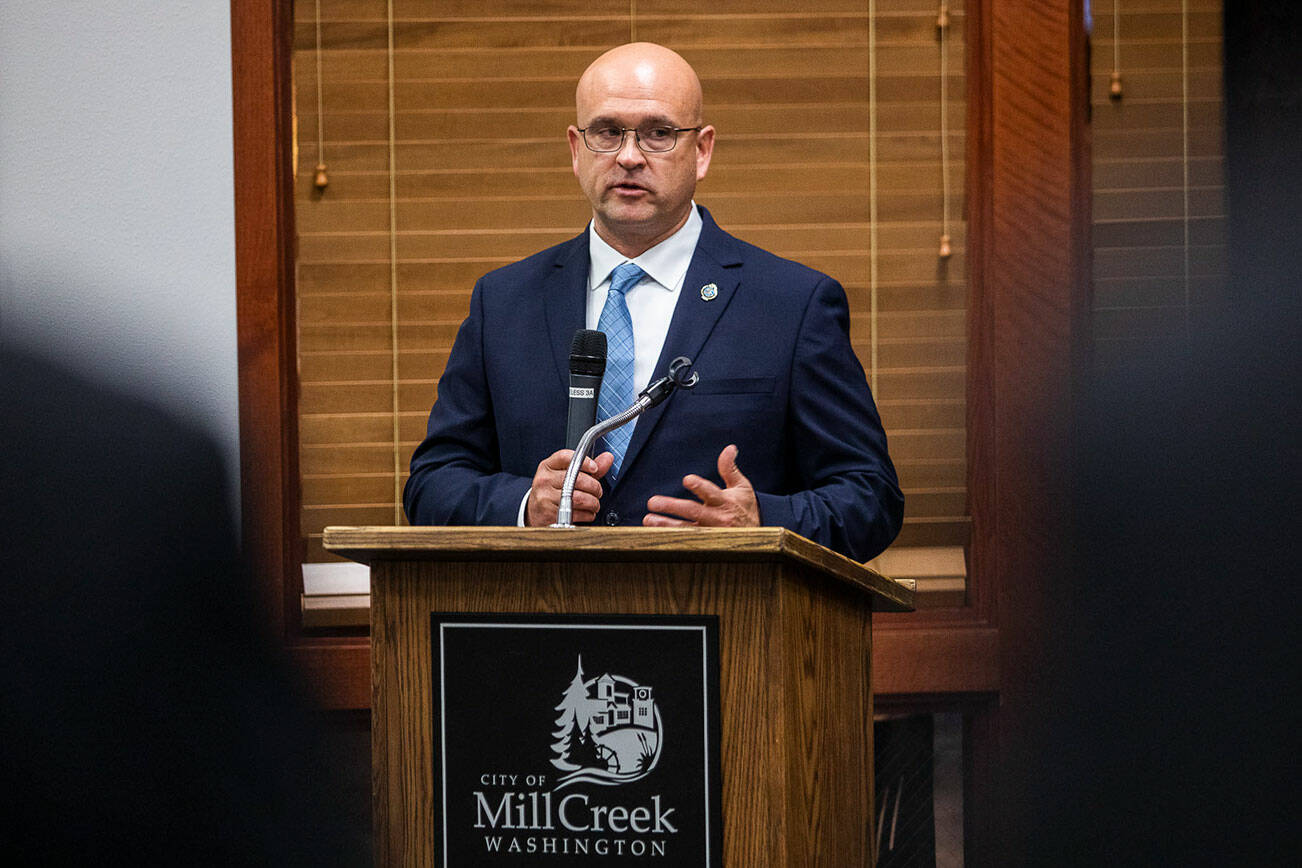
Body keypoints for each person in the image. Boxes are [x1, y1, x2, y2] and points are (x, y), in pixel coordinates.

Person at [404, 42, 903, 562]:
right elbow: (432, 485)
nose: (628, 156)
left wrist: (762, 523)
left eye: (659, 133)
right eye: (606, 132)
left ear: (702, 150)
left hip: (723, 624)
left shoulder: (791, 305)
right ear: (577, 149)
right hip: (542, 623)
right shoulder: (503, 302)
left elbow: (871, 497)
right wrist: (526, 504)